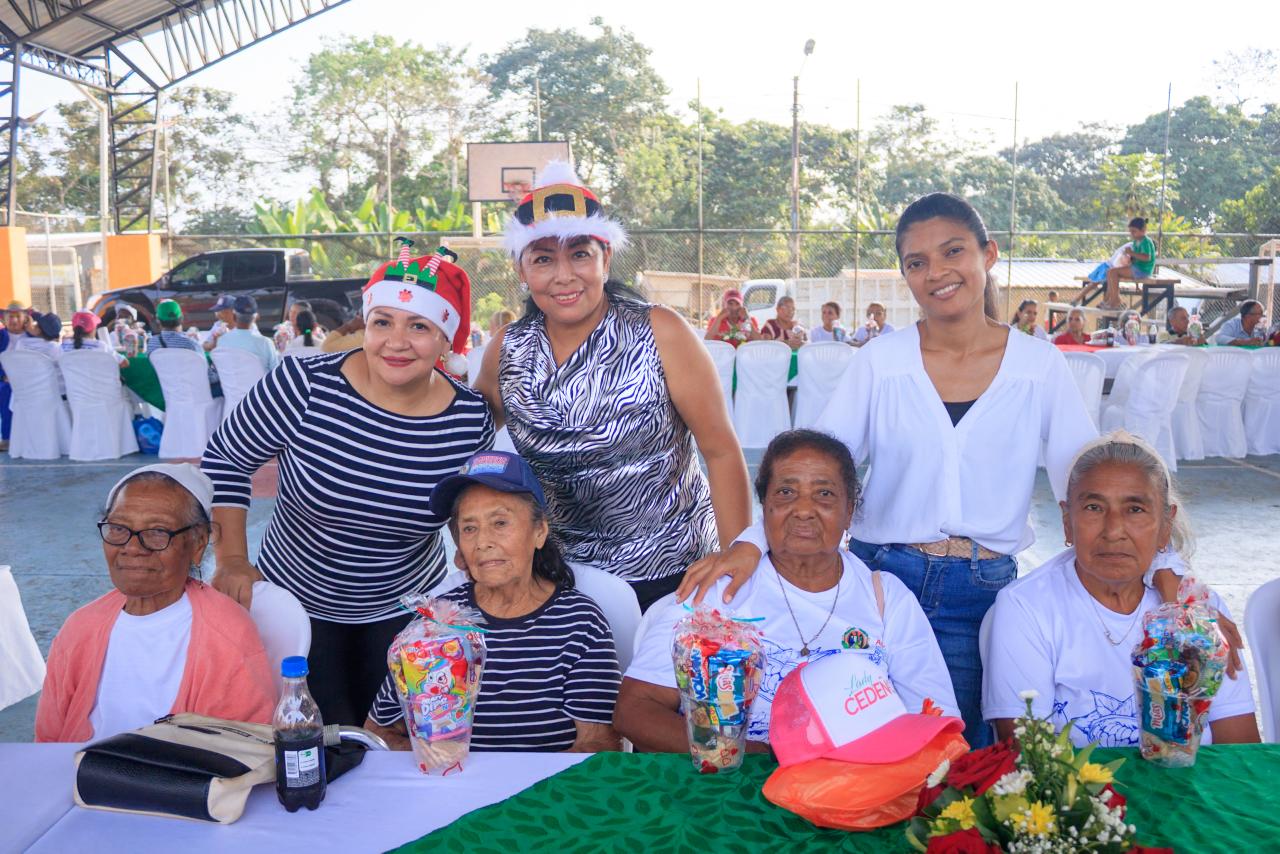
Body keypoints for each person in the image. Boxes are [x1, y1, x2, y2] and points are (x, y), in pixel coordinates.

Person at [681, 192, 1106, 748]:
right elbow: (816, 469)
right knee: (856, 741)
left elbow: (1091, 482)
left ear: (988, 254)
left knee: (956, 753)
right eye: (916, 262)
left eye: (953, 251)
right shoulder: (881, 362)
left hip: (980, 590)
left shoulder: (1038, 366)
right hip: (879, 578)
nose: (937, 272)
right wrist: (751, 541)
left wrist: (1165, 569)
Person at [203, 245, 494, 726]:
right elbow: (227, 459)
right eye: (383, 322)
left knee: (404, 737)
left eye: (418, 327)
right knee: (321, 738)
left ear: (446, 339)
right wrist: (232, 558)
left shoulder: (468, 419)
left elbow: (470, 502)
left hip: (408, 607)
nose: (396, 342)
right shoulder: (303, 385)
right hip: (298, 602)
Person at [475, 162, 750, 612]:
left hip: (674, 571)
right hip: (559, 577)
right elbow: (467, 433)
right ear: (520, 270)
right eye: (543, 259)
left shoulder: (660, 331)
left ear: (606, 258)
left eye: (580, 254)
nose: (564, 276)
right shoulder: (507, 349)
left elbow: (720, 450)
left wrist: (736, 554)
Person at [616, 430, 958, 752]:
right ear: (764, 506)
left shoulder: (886, 598)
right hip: (735, 781)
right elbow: (635, 709)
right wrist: (746, 756)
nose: (804, 509)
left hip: (860, 784)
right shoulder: (719, 592)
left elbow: (935, 718)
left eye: (824, 494)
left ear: (849, 511)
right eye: (786, 492)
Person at [983, 432, 1259, 747]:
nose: (1114, 531)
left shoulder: (1201, 612)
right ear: (1067, 521)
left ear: (1165, 524)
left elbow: (1240, 748)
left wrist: (1183, 621)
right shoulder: (1026, 607)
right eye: (1093, 507)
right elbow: (1028, 754)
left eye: (1135, 509)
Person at [365, 450, 621, 752]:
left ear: (540, 531)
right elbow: (378, 733)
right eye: (469, 528)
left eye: (500, 523)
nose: (482, 542)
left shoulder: (579, 621)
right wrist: (441, 762)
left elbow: (599, 743)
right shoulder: (438, 622)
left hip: (548, 782)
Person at [35, 463, 275, 742]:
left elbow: (245, 745)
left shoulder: (227, 633)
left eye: (158, 532)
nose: (132, 547)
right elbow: (47, 740)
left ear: (198, 543)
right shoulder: (80, 628)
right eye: (118, 528)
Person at [215, 295, 279, 373]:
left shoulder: (221, 341)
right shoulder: (266, 343)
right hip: (260, 381)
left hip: (229, 381)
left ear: (234, 316)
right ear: (256, 317)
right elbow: (276, 372)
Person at [1102, 217, 1155, 309]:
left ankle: (1115, 301)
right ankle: (1113, 300)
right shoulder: (1136, 241)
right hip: (1136, 268)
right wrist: (1129, 258)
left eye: (1134, 231)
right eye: (1130, 232)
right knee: (1110, 272)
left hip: (1143, 270)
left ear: (1143, 230)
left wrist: (1131, 253)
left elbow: (1146, 257)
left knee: (1113, 272)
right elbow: (1135, 258)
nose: (1132, 234)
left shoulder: (1146, 241)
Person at [63, 311, 128, 366]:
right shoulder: (101, 346)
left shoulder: (63, 347)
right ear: (93, 329)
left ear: (74, 328)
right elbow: (124, 363)